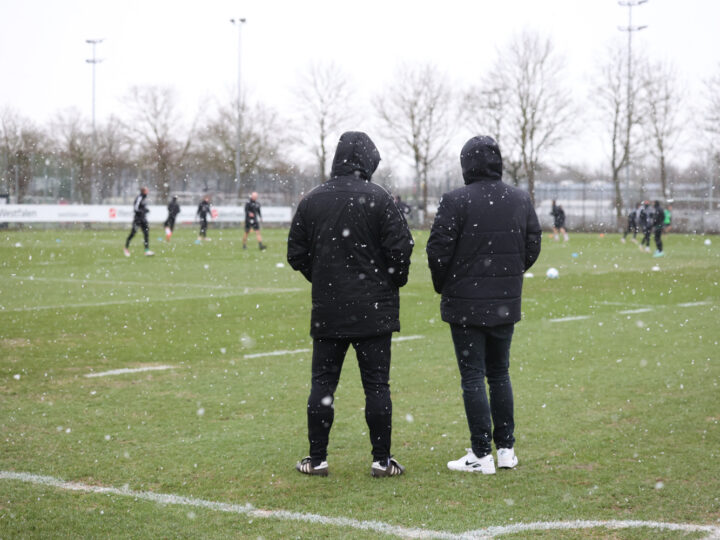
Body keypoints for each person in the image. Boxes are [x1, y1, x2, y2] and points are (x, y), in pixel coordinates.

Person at [287, 131, 414, 478]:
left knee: (323, 384)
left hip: (330, 307)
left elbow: (295, 253)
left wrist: (325, 277)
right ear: (367, 162)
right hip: (374, 309)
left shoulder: (313, 200)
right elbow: (401, 249)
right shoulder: (380, 198)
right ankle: (381, 460)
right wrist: (389, 280)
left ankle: (317, 458)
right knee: (376, 385)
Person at [426, 135, 541, 474]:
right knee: (499, 373)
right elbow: (532, 243)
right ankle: (504, 449)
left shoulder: (455, 200)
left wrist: (446, 283)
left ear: (466, 165)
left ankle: (481, 453)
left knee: (474, 376)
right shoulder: (519, 199)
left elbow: (437, 250)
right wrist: (509, 276)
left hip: (465, 303)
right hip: (502, 301)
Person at [124, 186, 154, 257]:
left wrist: (146, 210)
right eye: (147, 190)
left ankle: (147, 251)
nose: (148, 192)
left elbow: (142, 208)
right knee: (133, 233)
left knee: (146, 234)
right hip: (138, 219)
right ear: (143, 191)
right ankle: (126, 248)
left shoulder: (144, 198)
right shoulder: (139, 198)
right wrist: (143, 211)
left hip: (143, 219)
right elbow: (136, 208)